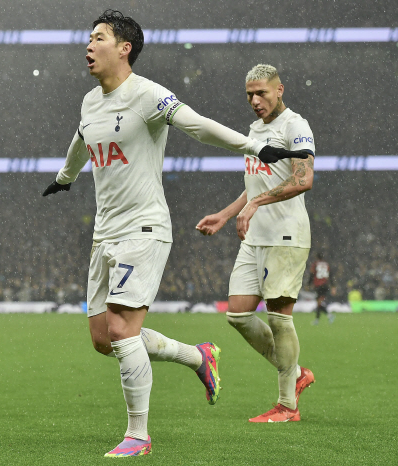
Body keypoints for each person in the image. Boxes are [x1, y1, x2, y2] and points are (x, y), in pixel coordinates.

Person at [43, 12, 308, 457]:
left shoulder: (148, 95)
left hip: (143, 228)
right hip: (105, 233)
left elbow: (198, 124)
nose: (88, 45)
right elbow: (81, 138)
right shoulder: (90, 101)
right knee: (103, 338)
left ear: (124, 48)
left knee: (123, 330)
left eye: (98, 38)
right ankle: (198, 356)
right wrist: (65, 177)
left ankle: (138, 436)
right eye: (89, 38)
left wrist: (254, 146)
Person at [196, 64, 316, 423]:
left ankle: (287, 406)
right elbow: (255, 185)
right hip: (255, 237)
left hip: (286, 235)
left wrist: (256, 204)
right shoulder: (254, 130)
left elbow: (303, 179)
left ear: (280, 90)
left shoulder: (295, 126)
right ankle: (297, 373)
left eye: (261, 92)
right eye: (249, 94)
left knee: (279, 317)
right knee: (238, 314)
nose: (255, 100)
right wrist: (226, 214)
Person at [308, 253, 335, 324]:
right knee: (319, 303)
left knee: (319, 303)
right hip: (325, 285)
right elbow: (331, 275)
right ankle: (324, 317)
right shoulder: (326, 264)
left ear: (317, 258)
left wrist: (308, 284)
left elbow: (312, 274)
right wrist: (333, 286)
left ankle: (322, 318)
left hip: (318, 285)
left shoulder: (315, 264)